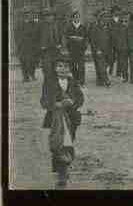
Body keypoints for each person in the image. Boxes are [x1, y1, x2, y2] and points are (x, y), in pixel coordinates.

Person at [40, 52, 84, 188]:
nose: (63, 69)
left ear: (70, 68)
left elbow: (81, 99)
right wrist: (54, 104)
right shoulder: (49, 82)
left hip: (71, 118)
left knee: (68, 143)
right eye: (59, 66)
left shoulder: (73, 82)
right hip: (56, 118)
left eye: (66, 66)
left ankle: (63, 167)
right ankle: (62, 174)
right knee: (59, 144)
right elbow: (43, 101)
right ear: (54, 68)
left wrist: (73, 102)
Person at [64, 11, 88, 86]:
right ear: (72, 18)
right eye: (75, 17)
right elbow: (66, 37)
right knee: (73, 65)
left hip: (81, 49)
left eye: (78, 17)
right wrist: (71, 39)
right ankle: (75, 79)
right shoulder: (69, 27)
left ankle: (81, 81)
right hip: (72, 49)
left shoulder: (83, 27)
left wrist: (84, 44)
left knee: (81, 66)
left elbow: (86, 37)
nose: (77, 18)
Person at [88, 11, 111, 87]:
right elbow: (92, 40)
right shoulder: (95, 27)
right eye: (104, 17)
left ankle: (99, 79)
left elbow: (110, 38)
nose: (106, 19)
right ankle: (106, 79)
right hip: (98, 49)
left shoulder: (107, 26)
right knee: (101, 65)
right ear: (100, 18)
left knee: (101, 65)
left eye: (107, 17)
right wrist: (97, 49)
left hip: (107, 49)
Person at [108, 6, 123, 77]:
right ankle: (111, 70)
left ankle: (119, 72)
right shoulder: (109, 21)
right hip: (111, 42)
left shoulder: (121, 20)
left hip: (120, 41)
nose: (117, 12)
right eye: (115, 11)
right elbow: (108, 31)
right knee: (111, 57)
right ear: (113, 12)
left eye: (118, 11)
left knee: (120, 57)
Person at [117, 13, 130, 83]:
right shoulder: (120, 28)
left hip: (130, 47)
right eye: (123, 20)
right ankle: (125, 76)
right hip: (123, 48)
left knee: (127, 63)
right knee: (124, 63)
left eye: (126, 20)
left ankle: (129, 76)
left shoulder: (130, 26)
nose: (125, 21)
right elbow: (119, 38)